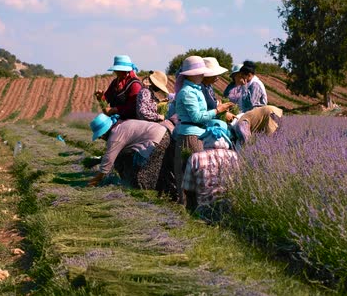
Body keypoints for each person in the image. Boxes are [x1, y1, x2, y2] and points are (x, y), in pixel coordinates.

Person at [174, 56, 234, 203]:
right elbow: (196, 117)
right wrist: (218, 110)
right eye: (200, 72)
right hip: (190, 136)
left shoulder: (195, 90)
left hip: (197, 133)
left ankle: (198, 206)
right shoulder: (188, 92)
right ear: (191, 74)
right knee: (191, 173)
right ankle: (188, 207)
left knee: (196, 173)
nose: (202, 75)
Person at [87, 113, 172, 193]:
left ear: (103, 133)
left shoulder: (115, 136)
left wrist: (97, 179)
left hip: (157, 140)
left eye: (100, 136)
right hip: (163, 134)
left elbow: (108, 159)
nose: (101, 138)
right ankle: (161, 193)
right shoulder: (121, 125)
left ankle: (147, 196)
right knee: (156, 171)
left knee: (142, 177)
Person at [182, 119, 238, 222]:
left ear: (205, 138)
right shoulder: (234, 156)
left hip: (204, 212)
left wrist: (190, 213)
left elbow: (188, 189)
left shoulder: (195, 158)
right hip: (230, 210)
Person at [94, 55, 142, 119]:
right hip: (116, 119)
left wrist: (115, 110)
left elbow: (133, 107)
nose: (116, 72)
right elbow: (106, 100)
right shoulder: (115, 82)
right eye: (116, 70)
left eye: (119, 70)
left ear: (126, 71)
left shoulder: (135, 85)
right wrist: (101, 98)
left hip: (130, 122)